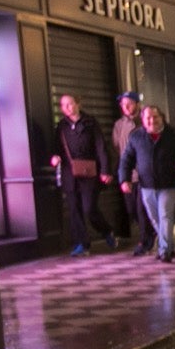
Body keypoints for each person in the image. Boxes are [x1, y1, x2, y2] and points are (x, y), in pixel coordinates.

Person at [117, 104, 175, 264]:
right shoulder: (136, 137)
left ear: (162, 117)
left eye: (155, 117)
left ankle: (164, 250)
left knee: (165, 215)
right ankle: (169, 247)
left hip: (169, 183)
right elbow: (126, 159)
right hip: (147, 185)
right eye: (148, 118)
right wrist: (124, 179)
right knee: (154, 217)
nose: (152, 120)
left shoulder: (174, 135)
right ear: (143, 120)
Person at [49, 93, 115, 256]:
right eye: (63, 105)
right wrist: (55, 157)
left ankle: (106, 231)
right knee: (74, 210)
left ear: (78, 104)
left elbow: (101, 147)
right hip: (69, 174)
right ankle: (82, 244)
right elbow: (56, 148)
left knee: (89, 208)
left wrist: (105, 170)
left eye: (70, 104)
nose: (66, 108)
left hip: (89, 172)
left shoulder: (90, 123)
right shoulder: (61, 126)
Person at [111, 91, 156, 255]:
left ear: (137, 104)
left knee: (141, 209)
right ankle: (151, 231)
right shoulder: (119, 125)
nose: (126, 107)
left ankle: (145, 241)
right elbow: (116, 148)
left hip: (144, 174)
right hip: (128, 174)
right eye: (123, 105)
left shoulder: (146, 121)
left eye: (129, 103)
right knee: (131, 209)